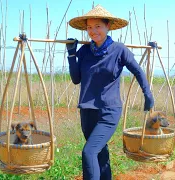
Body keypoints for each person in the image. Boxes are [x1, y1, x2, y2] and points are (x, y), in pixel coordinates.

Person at [66, 4, 154, 180]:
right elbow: (76, 79)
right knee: (99, 153)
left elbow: (137, 71)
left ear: (108, 26)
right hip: (87, 111)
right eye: (89, 27)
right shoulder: (84, 51)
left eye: (97, 26)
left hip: (109, 111)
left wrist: (147, 94)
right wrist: (71, 55)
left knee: (89, 152)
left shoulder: (119, 50)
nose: (93, 31)